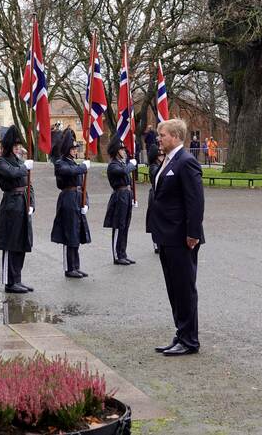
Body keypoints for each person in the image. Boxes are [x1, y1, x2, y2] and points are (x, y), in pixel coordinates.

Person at [149, 118, 205, 357]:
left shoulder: (186, 162)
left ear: (175, 136)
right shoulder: (169, 161)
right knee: (174, 288)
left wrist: (193, 233)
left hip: (182, 237)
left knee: (184, 288)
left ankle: (190, 339)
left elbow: (195, 201)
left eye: (162, 135)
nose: (158, 139)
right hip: (166, 235)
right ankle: (181, 333)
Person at [0, 126, 35, 294]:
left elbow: (28, 184)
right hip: (11, 204)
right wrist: (25, 167)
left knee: (21, 242)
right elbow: (11, 174)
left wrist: (32, 203)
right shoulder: (1, 161)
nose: (18, 147)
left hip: (23, 203)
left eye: (19, 145)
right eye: (16, 145)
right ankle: (9, 282)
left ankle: (17, 279)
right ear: (9, 145)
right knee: (10, 243)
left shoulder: (19, 162)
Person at [51, 129, 91, 278]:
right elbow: (69, 171)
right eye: (73, 149)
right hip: (67, 198)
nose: (75, 151)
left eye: (76, 149)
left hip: (77, 197)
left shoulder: (75, 164)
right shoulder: (60, 163)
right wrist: (83, 167)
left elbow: (82, 185)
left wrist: (85, 202)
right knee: (69, 233)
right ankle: (69, 268)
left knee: (77, 232)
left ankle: (76, 266)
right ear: (67, 149)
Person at [104, 136, 137, 266]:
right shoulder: (113, 165)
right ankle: (117, 255)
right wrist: (132, 164)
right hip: (119, 195)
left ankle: (123, 253)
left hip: (126, 194)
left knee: (126, 225)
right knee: (119, 225)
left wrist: (133, 196)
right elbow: (124, 172)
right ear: (116, 151)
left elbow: (128, 180)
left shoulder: (122, 163)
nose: (124, 151)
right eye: (122, 149)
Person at [146, 144, 165, 254]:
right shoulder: (154, 167)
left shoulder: (160, 165)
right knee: (155, 219)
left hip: (160, 194)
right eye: (160, 155)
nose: (162, 157)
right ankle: (156, 242)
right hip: (155, 194)